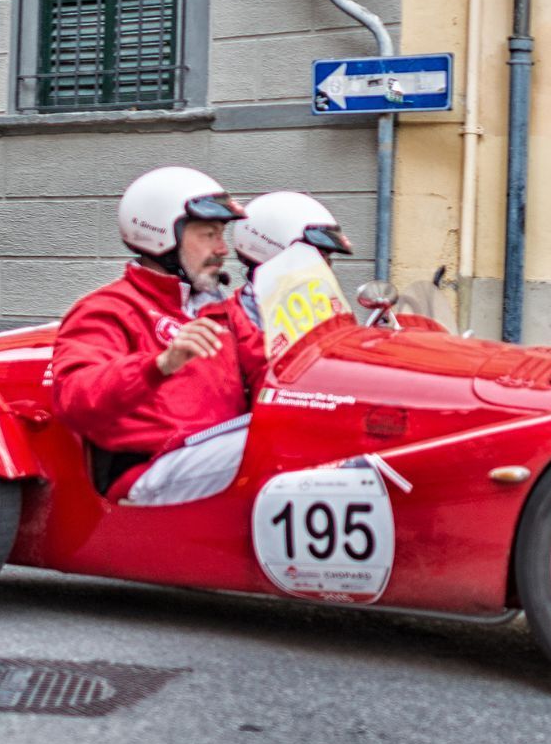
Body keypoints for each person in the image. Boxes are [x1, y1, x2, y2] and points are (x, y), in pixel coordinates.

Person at [51, 166, 252, 506]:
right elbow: (75, 397)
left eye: (222, 235)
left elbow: (271, 368)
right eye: (208, 235)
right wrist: (159, 364)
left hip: (216, 455)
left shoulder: (221, 311)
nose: (222, 249)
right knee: (272, 447)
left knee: (310, 430)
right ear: (163, 236)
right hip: (149, 469)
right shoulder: (110, 308)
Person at [220, 191, 355, 386]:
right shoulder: (232, 318)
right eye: (317, 255)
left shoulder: (317, 304)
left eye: (326, 258)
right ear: (277, 248)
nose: (324, 266)